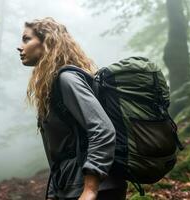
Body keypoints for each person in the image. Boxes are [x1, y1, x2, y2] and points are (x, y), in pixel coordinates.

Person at [17, 17, 127, 200]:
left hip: (95, 190)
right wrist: (54, 193)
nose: (19, 46)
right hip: (72, 188)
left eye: (26, 39)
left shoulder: (66, 80)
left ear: (48, 41)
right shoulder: (52, 86)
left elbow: (103, 130)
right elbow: (60, 153)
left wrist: (90, 189)